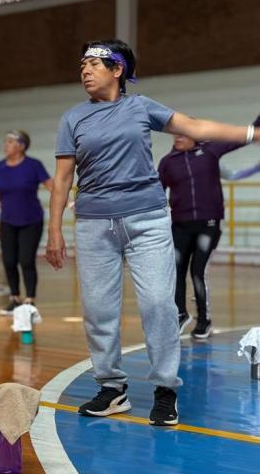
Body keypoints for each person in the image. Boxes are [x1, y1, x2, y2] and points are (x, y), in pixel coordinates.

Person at [46, 38, 260, 427]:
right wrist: (54, 231)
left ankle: (165, 390)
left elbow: (195, 126)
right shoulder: (72, 118)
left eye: (94, 63)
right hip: (94, 225)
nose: (85, 70)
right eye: (81, 65)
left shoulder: (141, 107)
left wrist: (250, 133)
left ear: (117, 70)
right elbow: (62, 180)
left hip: (147, 221)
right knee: (98, 311)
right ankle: (112, 388)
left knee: (160, 305)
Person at [158, 113, 260, 338]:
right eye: (175, 133)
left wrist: (258, 122)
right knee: (175, 269)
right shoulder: (167, 163)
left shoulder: (211, 151)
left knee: (197, 271)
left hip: (208, 224)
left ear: (196, 134)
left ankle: (204, 320)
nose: (178, 136)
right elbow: (155, 194)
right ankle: (180, 313)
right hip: (180, 226)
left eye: (184, 132)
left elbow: (243, 136)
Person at [0, 131, 53, 315]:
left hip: (31, 221)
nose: (6, 145)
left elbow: (52, 186)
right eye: (5, 142)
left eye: (10, 142)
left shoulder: (33, 165)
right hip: (8, 221)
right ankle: (14, 298)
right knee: (8, 261)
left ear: (21, 146)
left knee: (26, 260)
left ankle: (30, 300)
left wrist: (68, 201)